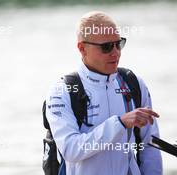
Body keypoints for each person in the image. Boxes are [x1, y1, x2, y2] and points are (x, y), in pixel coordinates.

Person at [45, 11, 162, 175]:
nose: (116, 53)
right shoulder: (62, 91)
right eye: (106, 47)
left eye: (118, 44)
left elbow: (150, 146)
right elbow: (71, 149)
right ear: (82, 48)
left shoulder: (134, 83)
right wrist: (120, 123)